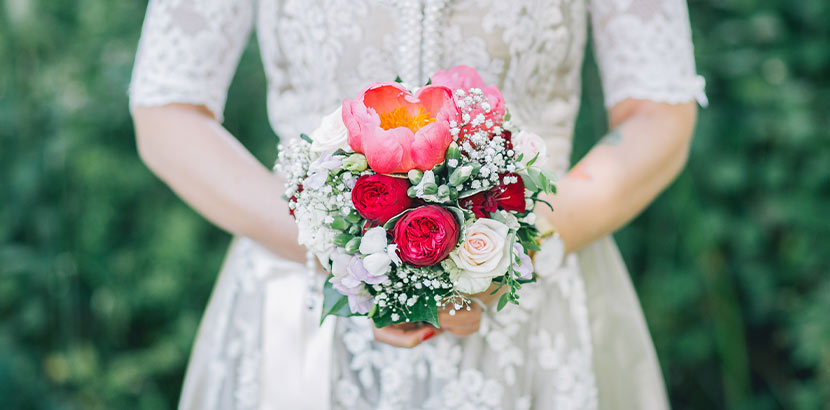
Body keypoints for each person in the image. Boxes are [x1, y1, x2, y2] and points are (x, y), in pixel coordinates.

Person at [129, 0, 706, 409]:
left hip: (534, 302)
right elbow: (168, 110)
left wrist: (507, 251)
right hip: (299, 310)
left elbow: (660, 113)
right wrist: (341, 256)